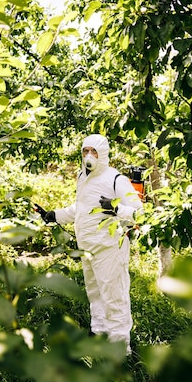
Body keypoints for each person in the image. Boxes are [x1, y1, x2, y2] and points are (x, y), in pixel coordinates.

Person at [39, 134, 143, 355]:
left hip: (109, 248)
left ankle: (119, 346)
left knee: (114, 296)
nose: (88, 156)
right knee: (95, 292)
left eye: (93, 152)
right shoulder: (83, 177)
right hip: (88, 248)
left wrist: (116, 209)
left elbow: (140, 214)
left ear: (102, 154)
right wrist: (54, 215)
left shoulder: (117, 179)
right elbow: (80, 208)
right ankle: (99, 331)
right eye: (85, 151)